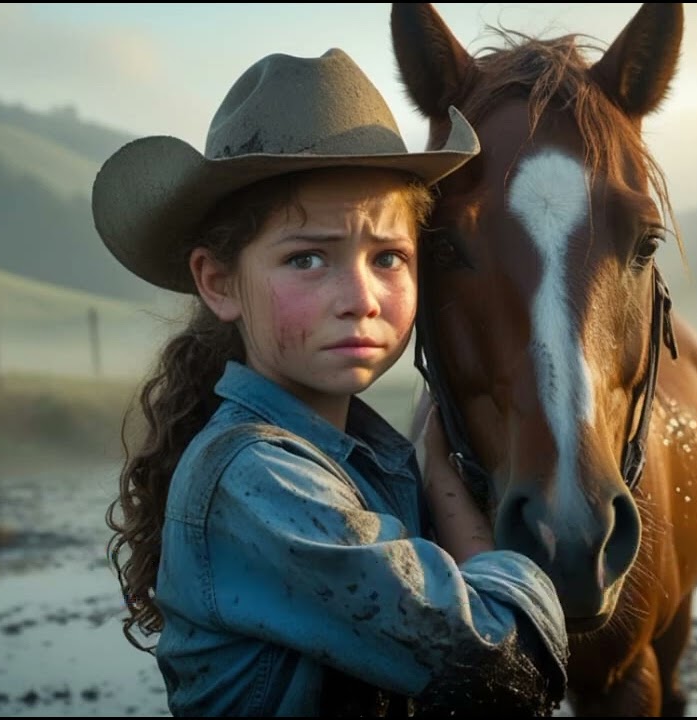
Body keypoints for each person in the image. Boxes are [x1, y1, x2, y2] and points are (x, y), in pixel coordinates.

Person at [96, 48, 569, 716]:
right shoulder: (256, 479)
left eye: (388, 258)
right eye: (308, 258)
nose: (361, 298)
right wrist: (447, 493)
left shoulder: (361, 461)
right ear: (219, 282)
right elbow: (501, 666)